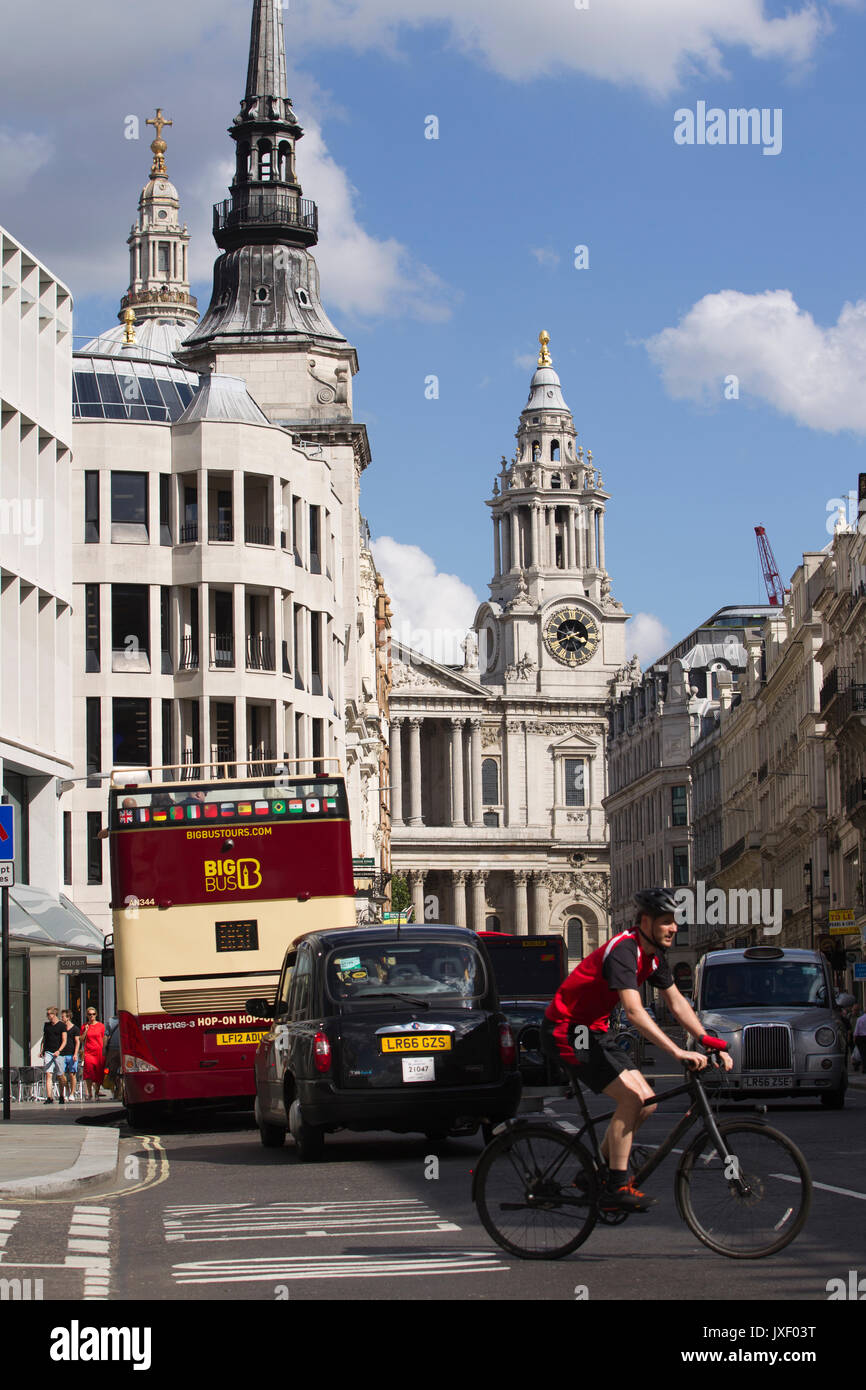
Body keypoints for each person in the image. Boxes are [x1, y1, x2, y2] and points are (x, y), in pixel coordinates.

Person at [541, 887, 734, 1213]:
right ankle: (617, 1186)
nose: (673, 928)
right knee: (632, 1098)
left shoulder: (654, 956)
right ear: (645, 921)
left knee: (647, 1103)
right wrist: (677, 1052)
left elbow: (676, 1002)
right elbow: (634, 1011)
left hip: (595, 1030)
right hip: (569, 1030)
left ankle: (593, 1176)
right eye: (665, 922)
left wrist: (707, 1039)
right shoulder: (624, 951)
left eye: (675, 922)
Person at [41, 1007, 67, 1105]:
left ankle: (61, 1095)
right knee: (48, 1074)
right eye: (47, 1014)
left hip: (58, 1052)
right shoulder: (47, 1025)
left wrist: (59, 1050)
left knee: (60, 1075)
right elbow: (44, 1038)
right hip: (48, 1051)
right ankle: (49, 1097)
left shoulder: (61, 1025)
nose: (48, 1016)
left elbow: (64, 1040)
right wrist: (42, 1050)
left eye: (49, 1014)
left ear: (54, 1014)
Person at [79, 1007, 107, 1101]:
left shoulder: (101, 1026)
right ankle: (90, 1093)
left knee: (99, 1073)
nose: (92, 1016)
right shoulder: (84, 1026)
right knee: (89, 1073)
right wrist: (86, 1031)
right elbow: (81, 1039)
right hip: (89, 1052)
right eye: (90, 1014)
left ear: (96, 1014)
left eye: (93, 1014)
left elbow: (104, 1038)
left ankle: (97, 1091)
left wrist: (104, 1050)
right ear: (87, 1015)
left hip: (99, 1052)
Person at [60, 1009, 81, 1100]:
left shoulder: (75, 1029)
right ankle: (67, 1089)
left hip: (71, 1054)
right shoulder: (61, 1028)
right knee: (61, 1074)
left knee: (72, 1074)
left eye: (63, 1016)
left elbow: (77, 1042)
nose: (62, 1018)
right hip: (62, 1054)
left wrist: (75, 1054)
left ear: (68, 1017)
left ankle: (72, 1093)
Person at [853, 1008, 866, 1073]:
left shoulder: (860, 1019)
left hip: (861, 1038)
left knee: (863, 1053)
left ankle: (864, 1068)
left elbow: (856, 1030)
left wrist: (854, 1039)